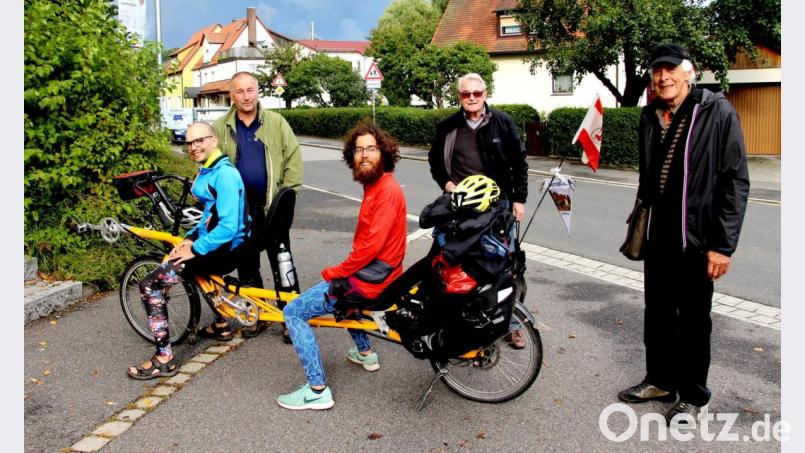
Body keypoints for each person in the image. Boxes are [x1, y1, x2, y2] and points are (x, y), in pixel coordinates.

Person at [617, 43, 750, 426]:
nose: (663, 77)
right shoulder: (649, 115)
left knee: (693, 320)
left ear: (687, 73)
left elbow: (735, 182)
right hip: (660, 232)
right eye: (657, 71)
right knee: (657, 314)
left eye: (671, 69)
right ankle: (660, 381)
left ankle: (693, 395)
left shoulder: (715, 112)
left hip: (698, 237)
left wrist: (722, 246)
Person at [276, 121, 407, 410]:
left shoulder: (386, 191)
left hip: (371, 280)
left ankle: (317, 389)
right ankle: (365, 352)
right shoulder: (377, 185)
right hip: (379, 275)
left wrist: (336, 272)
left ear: (383, 153)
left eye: (371, 149)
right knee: (342, 300)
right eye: (359, 150)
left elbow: (371, 247)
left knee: (294, 312)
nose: (364, 155)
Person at [127, 122, 251, 379]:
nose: (193, 147)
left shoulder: (225, 174)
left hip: (226, 249)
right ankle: (221, 324)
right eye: (189, 143)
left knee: (150, 285)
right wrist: (188, 239)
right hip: (216, 244)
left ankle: (164, 359)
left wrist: (195, 248)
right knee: (183, 260)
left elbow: (228, 226)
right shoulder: (209, 170)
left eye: (199, 141)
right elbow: (209, 215)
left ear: (214, 141)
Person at [427, 72, 529, 348]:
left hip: (497, 207)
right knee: (452, 262)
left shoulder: (502, 123)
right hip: (460, 208)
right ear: (459, 96)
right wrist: (448, 185)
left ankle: (511, 324)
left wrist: (519, 199)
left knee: (504, 266)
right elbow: (435, 161)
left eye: (477, 93)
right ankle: (459, 320)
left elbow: (519, 163)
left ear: (485, 94)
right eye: (465, 94)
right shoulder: (448, 126)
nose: (472, 98)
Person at [212, 71, 303, 340]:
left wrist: (287, 197)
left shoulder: (276, 123)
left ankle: (290, 318)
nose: (246, 96)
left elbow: (294, 161)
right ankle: (256, 315)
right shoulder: (220, 127)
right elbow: (213, 167)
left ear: (257, 91)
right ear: (232, 95)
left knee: (282, 263)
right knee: (247, 264)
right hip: (240, 212)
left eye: (250, 90)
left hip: (271, 208)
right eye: (240, 91)